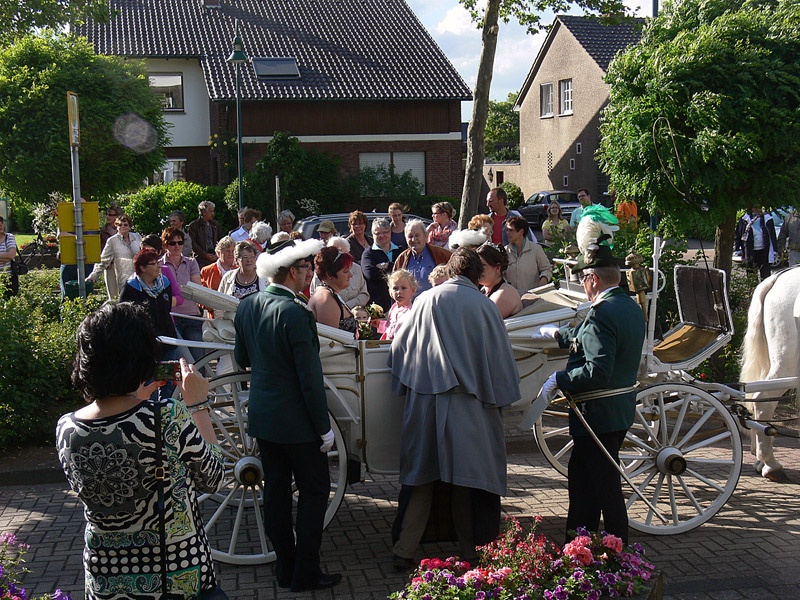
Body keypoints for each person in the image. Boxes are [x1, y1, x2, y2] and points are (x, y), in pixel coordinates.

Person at [56, 302, 223, 600]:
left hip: (105, 577)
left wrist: (136, 397)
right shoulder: (166, 415)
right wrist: (198, 405)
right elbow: (213, 478)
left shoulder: (66, 428)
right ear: (141, 357)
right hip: (173, 574)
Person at [388, 248, 521, 569]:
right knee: (467, 483)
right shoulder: (484, 306)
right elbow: (501, 361)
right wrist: (501, 401)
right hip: (470, 407)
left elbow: (398, 351)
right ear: (477, 274)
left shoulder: (425, 300)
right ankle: (472, 553)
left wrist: (411, 385)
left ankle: (404, 552)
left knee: (421, 481)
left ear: (450, 270)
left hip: (425, 403)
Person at [234, 238, 342, 593]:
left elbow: (241, 359)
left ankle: (285, 567)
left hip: (264, 417)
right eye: (306, 268)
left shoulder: (248, 306)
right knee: (315, 492)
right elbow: (310, 380)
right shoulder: (296, 313)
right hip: (298, 423)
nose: (309, 273)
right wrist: (324, 428)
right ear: (293, 271)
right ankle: (305, 571)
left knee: (276, 494)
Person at [537, 242, 646, 544]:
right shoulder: (626, 306)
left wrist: (560, 378)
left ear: (593, 279)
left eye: (583, 278)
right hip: (615, 411)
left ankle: (614, 552)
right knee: (587, 485)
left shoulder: (601, 313)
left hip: (596, 414)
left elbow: (597, 371)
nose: (583, 284)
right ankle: (581, 547)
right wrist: (558, 335)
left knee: (602, 490)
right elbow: (586, 336)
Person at [159, 227, 204, 361]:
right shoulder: (158, 265)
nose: (177, 246)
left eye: (180, 242)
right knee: (179, 360)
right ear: (165, 245)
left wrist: (175, 290)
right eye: (172, 243)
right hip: (171, 317)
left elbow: (196, 288)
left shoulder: (191, 262)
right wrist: (183, 289)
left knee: (199, 360)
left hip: (192, 315)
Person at [86, 214, 142, 300]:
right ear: (116, 226)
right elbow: (103, 260)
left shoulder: (137, 237)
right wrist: (93, 276)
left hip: (138, 276)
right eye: (120, 225)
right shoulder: (112, 241)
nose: (122, 227)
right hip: (122, 276)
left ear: (130, 227)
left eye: (125, 225)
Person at [393, 219, 451, 296]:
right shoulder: (402, 259)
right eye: (410, 236)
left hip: (434, 302)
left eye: (417, 235)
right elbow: (394, 284)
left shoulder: (441, 255)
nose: (414, 239)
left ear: (425, 235)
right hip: (410, 303)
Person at [308, 246, 358, 334]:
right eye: (345, 272)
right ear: (329, 274)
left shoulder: (329, 293)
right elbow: (331, 339)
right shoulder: (325, 298)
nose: (351, 275)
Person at [309, 236, 369, 309]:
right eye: (333, 251)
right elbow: (316, 295)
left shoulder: (357, 268)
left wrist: (347, 307)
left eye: (340, 252)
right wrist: (340, 308)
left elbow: (364, 294)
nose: (350, 275)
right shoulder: (322, 271)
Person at [362, 217, 402, 311]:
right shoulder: (368, 254)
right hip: (378, 306)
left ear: (390, 232)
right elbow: (371, 274)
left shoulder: (400, 251)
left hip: (401, 303)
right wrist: (395, 269)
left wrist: (386, 266)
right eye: (378, 233)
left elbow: (405, 269)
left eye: (385, 232)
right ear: (372, 235)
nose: (382, 236)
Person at [505, 216, 551, 294]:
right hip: (512, 297)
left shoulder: (536, 249)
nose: (507, 233)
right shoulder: (505, 251)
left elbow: (547, 269)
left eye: (511, 230)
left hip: (532, 296)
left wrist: (542, 283)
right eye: (507, 230)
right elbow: (501, 275)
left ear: (521, 232)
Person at [477, 243, 523, 319]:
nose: (478, 269)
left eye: (483, 265)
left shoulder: (505, 292)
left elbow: (483, 321)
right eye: (476, 265)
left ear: (497, 268)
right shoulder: (483, 290)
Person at [140, 234, 183, 310]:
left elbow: (179, 298)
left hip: (163, 315)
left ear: (159, 252)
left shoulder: (165, 270)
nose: (148, 255)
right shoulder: (137, 272)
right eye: (144, 251)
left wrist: (161, 302)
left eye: (152, 251)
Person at [735, 206, 778, 281]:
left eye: (759, 207)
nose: (758, 209)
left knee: (765, 276)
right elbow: (738, 235)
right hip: (750, 251)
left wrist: (775, 250)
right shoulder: (744, 219)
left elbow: (772, 235)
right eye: (756, 207)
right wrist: (737, 249)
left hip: (764, 251)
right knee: (751, 275)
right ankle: (752, 288)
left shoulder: (767, 218)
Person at [381, 270, 416, 341]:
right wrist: (379, 324)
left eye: (403, 288)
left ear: (412, 291)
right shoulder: (394, 308)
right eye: (395, 288)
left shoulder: (412, 312)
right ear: (390, 292)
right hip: (387, 345)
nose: (399, 292)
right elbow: (389, 328)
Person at [187, 201, 222, 268]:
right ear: (204, 212)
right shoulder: (194, 225)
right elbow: (193, 243)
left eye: (213, 211)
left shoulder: (215, 224)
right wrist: (205, 254)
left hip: (214, 258)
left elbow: (221, 239)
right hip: (200, 260)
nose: (213, 214)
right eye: (211, 211)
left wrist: (217, 253)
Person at [0, 215, 18, 297]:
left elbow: (11, 255)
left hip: (9, 278)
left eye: (1, 223)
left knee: (9, 300)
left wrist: (8, 257)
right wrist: (4, 257)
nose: (0, 225)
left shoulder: (9, 237)